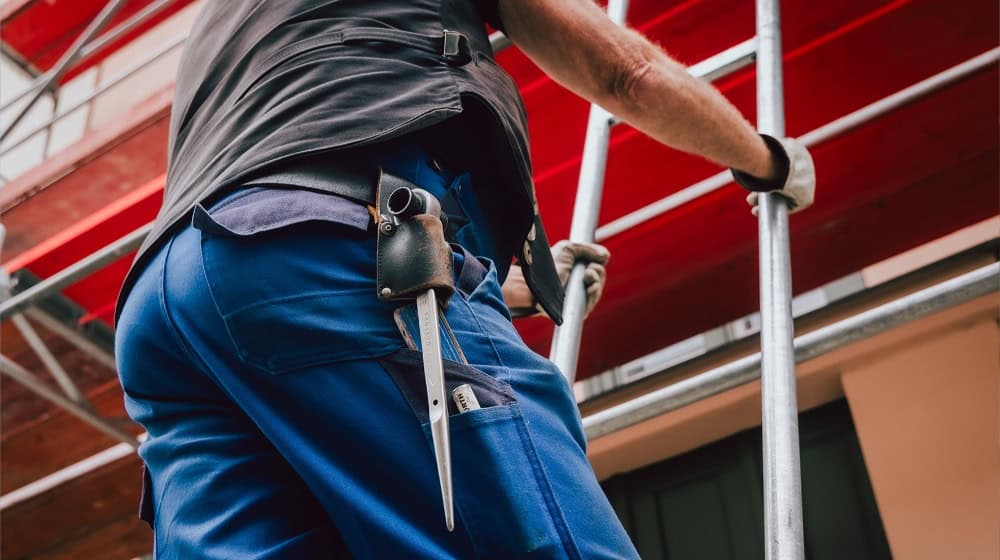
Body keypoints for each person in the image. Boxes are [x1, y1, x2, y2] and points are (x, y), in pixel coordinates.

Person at [114, 0, 816, 558]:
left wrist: (499, 287)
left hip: (170, 308)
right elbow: (628, 73)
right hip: (329, 247)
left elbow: (260, 225)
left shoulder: (226, 16)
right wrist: (765, 159)